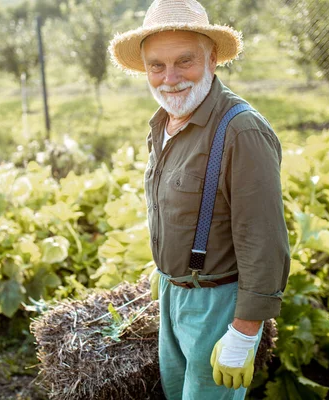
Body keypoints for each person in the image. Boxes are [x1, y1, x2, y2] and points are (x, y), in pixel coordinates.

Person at [108, 0, 291, 399]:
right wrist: (166, 267)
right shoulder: (164, 123)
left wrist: (244, 333)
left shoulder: (240, 131)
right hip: (174, 295)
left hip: (217, 305)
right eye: (157, 65)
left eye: (184, 61)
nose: (170, 78)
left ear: (211, 60)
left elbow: (264, 241)